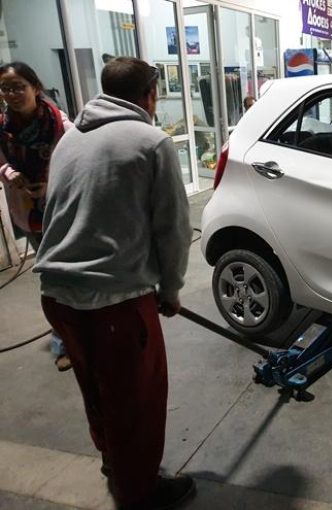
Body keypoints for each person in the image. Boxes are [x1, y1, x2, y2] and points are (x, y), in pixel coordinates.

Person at [34, 57, 194, 510]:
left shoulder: (69, 139)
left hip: (57, 296)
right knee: (138, 401)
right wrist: (171, 290)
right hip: (114, 302)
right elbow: (174, 229)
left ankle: (113, 461)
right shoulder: (151, 142)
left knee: (98, 389)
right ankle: (140, 490)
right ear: (150, 94)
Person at [0, 61, 73, 372]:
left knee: (71, 274)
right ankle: (63, 342)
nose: (12, 93)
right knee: (52, 278)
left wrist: (50, 182)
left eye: (19, 87)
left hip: (64, 209)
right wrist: (11, 173)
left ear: (36, 88)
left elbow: (75, 163)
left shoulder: (60, 125)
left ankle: (83, 333)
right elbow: (0, 161)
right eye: (6, 88)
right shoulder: (3, 127)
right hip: (29, 214)